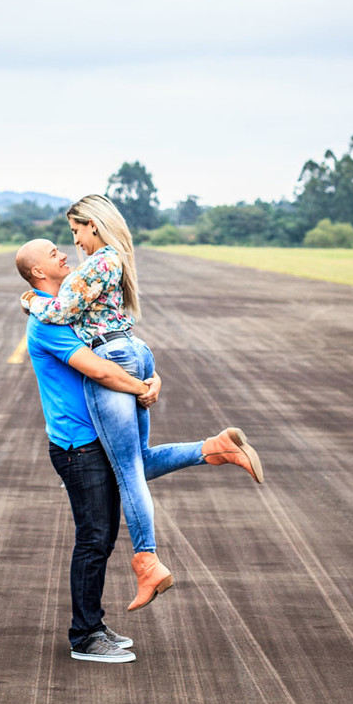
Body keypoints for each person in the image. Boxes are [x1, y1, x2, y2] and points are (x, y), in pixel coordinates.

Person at [20, 195, 263, 614]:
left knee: (127, 472)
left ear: (93, 226)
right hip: (131, 352)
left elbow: (92, 359)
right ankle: (215, 449)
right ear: (39, 270)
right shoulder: (105, 264)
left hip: (112, 367)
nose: (71, 245)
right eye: (60, 248)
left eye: (74, 233)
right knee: (137, 461)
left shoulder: (88, 273)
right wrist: (143, 380)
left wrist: (29, 299)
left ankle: (147, 560)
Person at [15, 237, 163, 663]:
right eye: (53, 253)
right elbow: (98, 368)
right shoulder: (49, 324)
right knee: (93, 539)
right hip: (78, 447)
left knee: (101, 536)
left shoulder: (67, 311)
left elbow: (115, 346)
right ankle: (84, 636)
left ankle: (93, 624)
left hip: (93, 440)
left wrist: (150, 378)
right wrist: (142, 389)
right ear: (39, 272)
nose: (63, 253)